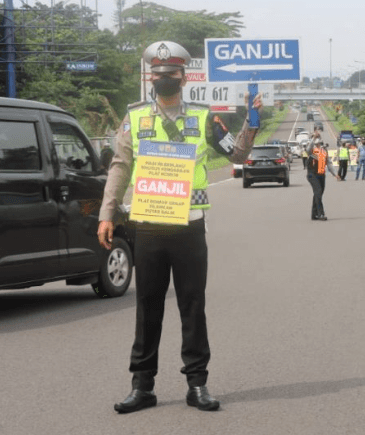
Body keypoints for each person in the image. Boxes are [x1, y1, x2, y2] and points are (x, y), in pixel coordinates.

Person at [98, 41, 264, 414]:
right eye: (156, 74)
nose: (163, 79)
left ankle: (197, 384)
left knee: (192, 306)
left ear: (183, 77)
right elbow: (120, 167)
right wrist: (107, 213)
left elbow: (236, 155)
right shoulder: (135, 118)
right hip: (149, 227)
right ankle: (142, 387)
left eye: (170, 74)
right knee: (147, 307)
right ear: (150, 78)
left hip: (189, 228)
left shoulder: (206, 119)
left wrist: (252, 125)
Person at [306, 138, 338, 220]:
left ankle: (314, 214)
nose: (320, 146)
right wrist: (313, 138)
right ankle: (321, 214)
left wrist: (335, 174)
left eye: (320, 144)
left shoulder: (324, 153)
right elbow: (308, 149)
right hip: (312, 175)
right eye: (318, 144)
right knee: (318, 192)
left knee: (318, 194)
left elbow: (329, 163)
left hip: (321, 175)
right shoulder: (312, 152)